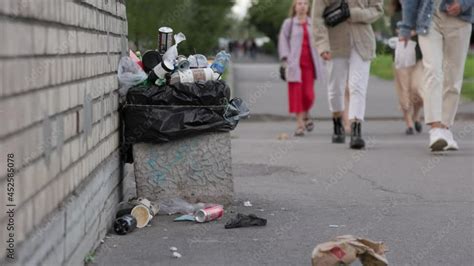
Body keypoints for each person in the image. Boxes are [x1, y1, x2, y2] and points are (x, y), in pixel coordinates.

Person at [399, 0, 473, 151]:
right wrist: (406, 27)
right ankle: (435, 129)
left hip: (459, 19)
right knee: (433, 70)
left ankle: (445, 129)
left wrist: (464, 4)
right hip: (429, 19)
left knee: (453, 77)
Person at [312, 0, 384, 149]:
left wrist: (353, 13)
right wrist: (322, 44)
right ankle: (337, 121)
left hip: (363, 43)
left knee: (357, 86)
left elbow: (377, 10)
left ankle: (356, 130)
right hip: (335, 44)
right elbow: (317, 17)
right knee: (335, 89)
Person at [278, 0, 324, 136]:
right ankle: (300, 125)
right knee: (296, 95)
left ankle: (306, 114)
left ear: (309, 7)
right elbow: (283, 40)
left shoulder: (313, 23)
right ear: (295, 7)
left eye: (305, 3)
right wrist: (286, 58)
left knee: (309, 95)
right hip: (294, 65)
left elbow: (321, 39)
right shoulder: (289, 23)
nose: (302, 6)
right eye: (299, 3)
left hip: (310, 65)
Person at [391, 0, 424, 135]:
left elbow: (423, 29)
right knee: (404, 92)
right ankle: (409, 122)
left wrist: (412, 31)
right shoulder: (396, 15)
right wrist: (412, 31)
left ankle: (416, 115)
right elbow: (399, 31)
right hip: (402, 59)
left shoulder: (420, 13)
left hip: (418, 57)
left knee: (418, 89)